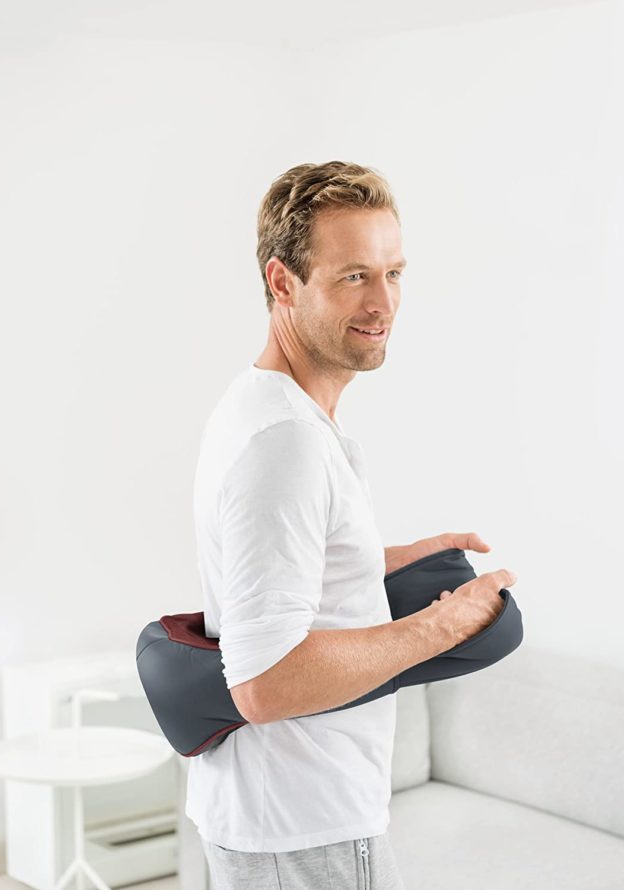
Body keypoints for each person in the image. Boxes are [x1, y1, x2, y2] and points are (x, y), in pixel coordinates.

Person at [185, 160, 516, 889]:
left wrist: (381, 561)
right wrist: (442, 626)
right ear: (282, 282)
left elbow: (279, 572)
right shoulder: (286, 442)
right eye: (354, 276)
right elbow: (264, 683)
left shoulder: (268, 410)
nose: (383, 302)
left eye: (394, 273)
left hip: (284, 818)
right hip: (303, 826)